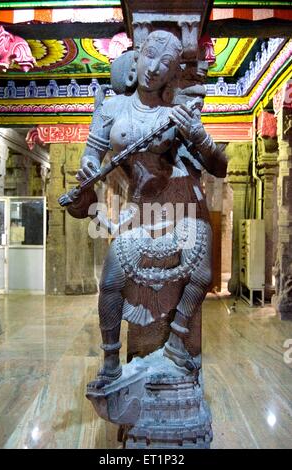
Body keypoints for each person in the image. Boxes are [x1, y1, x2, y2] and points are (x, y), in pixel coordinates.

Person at [77, 30, 227, 388]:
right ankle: (111, 361)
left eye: (166, 64)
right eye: (149, 56)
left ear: (174, 74)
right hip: (140, 211)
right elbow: (91, 154)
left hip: (181, 206)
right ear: (136, 57)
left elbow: (218, 167)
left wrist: (199, 136)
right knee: (111, 280)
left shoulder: (176, 113)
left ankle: (177, 342)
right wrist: (86, 167)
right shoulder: (112, 108)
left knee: (201, 274)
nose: (154, 68)